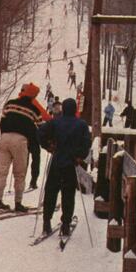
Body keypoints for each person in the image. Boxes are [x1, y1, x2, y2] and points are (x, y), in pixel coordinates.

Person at [38, 98, 91, 235]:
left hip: (57, 161)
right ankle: (66, 224)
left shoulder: (55, 122)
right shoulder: (81, 124)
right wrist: (80, 156)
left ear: (63, 109)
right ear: (75, 109)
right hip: (70, 163)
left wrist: (48, 146)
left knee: (51, 191)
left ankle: (46, 221)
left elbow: (41, 132)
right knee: (68, 194)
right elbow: (86, 143)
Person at [0, 85, 41, 212]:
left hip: (4, 138)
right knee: (19, 174)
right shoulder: (34, 110)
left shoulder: (10, 104)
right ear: (33, 96)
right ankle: (18, 203)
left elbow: (2, 121)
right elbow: (41, 128)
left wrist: (4, 133)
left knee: (2, 172)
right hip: (20, 140)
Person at [20, 83, 51, 191]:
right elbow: (44, 115)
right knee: (35, 157)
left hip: (21, 134)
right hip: (33, 134)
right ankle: (33, 181)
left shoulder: (17, 101)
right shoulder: (33, 101)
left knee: (24, 158)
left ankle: (21, 181)